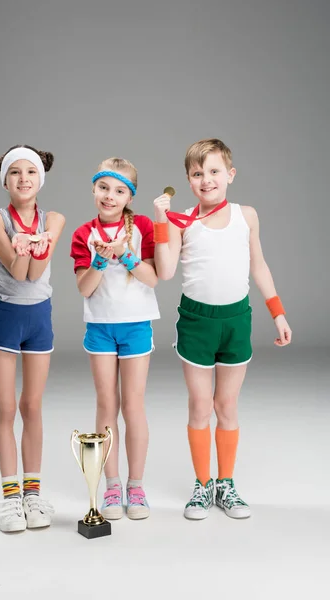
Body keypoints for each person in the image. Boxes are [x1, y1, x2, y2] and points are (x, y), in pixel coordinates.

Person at [153, 138, 292, 520]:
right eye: (197, 174)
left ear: (230, 175)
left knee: (226, 405)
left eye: (214, 171)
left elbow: (258, 265)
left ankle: (226, 484)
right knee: (200, 405)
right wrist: (161, 224)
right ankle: (202, 485)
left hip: (236, 321)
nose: (206, 179)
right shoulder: (183, 220)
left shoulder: (246, 215)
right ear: (188, 180)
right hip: (196, 323)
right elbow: (165, 272)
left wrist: (276, 311)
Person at [70, 157, 160, 520]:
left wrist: (127, 255)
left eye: (119, 190)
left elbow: (153, 279)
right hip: (100, 327)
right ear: (94, 189)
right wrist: (100, 261)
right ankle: (110, 486)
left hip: (136, 325)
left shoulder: (141, 226)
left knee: (133, 406)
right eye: (104, 188)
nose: (110, 196)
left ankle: (135, 487)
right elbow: (84, 289)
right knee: (106, 404)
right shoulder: (83, 233)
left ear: (130, 196)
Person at [0, 144, 65, 532]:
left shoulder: (56, 218)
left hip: (39, 317)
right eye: (15, 172)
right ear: (5, 180)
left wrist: (36, 243)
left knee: (32, 406)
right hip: (6, 315)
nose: (23, 179)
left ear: (40, 179)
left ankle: (32, 495)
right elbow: (18, 274)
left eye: (30, 172)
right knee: (6, 408)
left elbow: (36, 276)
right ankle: (10, 497)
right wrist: (23, 245)